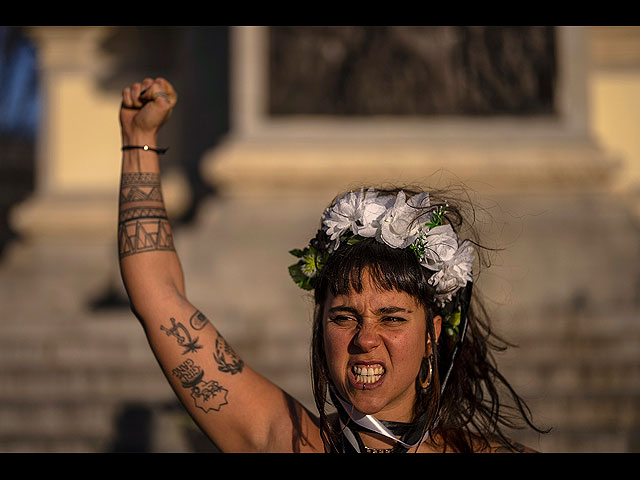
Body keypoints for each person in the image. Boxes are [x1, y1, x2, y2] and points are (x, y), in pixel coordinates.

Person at [118, 77, 545, 453]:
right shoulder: (281, 440)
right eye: (344, 316)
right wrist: (140, 141)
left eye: (392, 318)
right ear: (320, 323)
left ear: (432, 331)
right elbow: (158, 297)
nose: (365, 339)